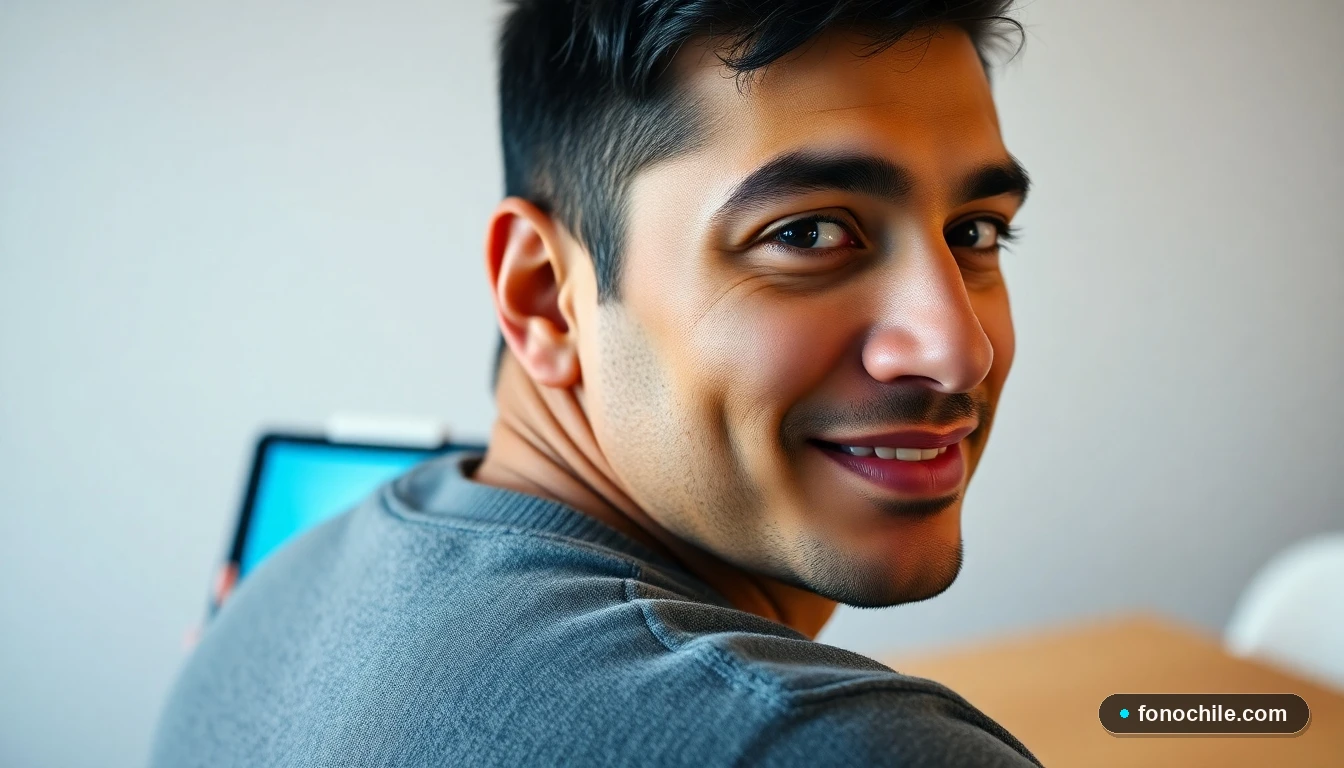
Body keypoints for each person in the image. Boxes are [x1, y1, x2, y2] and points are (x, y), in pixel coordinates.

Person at [152, 0, 1040, 765]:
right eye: (807, 234)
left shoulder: (276, 594)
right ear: (544, 295)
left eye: (976, 233)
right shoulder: (830, 747)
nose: (958, 351)